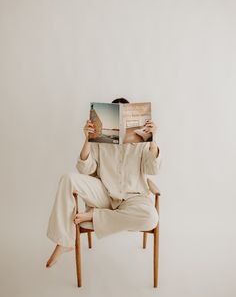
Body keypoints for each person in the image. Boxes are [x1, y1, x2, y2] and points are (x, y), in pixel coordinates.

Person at [46, 97, 161, 268]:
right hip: (104, 194)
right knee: (67, 178)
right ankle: (65, 240)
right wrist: (87, 138)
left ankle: (94, 216)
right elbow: (85, 169)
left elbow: (153, 170)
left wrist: (152, 140)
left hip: (134, 197)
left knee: (151, 218)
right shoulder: (101, 140)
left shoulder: (141, 142)